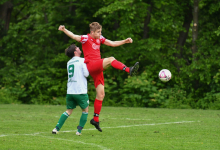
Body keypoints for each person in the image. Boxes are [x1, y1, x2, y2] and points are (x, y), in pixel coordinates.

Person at [58, 22, 139, 132]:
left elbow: (112, 43)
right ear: (92, 32)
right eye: (98, 32)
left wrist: (125, 41)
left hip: (98, 67)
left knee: (101, 94)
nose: (100, 33)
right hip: (91, 65)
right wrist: (64, 30)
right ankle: (128, 69)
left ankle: (95, 119)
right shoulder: (86, 38)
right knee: (111, 59)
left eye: (100, 31)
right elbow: (74, 36)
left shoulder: (99, 38)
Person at [52, 44, 90, 136]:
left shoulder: (69, 62)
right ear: (75, 52)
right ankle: (79, 131)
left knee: (68, 111)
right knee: (85, 110)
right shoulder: (82, 60)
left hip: (70, 91)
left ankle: (56, 128)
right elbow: (86, 74)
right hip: (80, 91)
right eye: (78, 48)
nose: (79, 48)